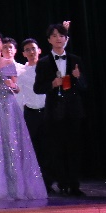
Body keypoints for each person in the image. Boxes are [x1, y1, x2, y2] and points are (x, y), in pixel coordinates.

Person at [0, 28, 46, 200]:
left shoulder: (8, 63)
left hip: (8, 106)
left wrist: (13, 86)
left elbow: (16, 88)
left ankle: (16, 187)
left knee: (11, 143)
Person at [33, 21, 84, 196]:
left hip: (73, 110)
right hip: (54, 111)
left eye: (61, 36)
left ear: (66, 39)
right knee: (56, 149)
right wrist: (52, 84)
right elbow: (37, 88)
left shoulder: (76, 60)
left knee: (74, 148)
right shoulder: (43, 63)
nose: (58, 39)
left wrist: (78, 77)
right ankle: (61, 183)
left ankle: (74, 184)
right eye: (54, 36)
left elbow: (85, 86)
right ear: (49, 40)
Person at [16, 37, 49, 187]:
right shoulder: (21, 73)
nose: (31, 52)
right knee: (33, 149)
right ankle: (34, 181)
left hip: (47, 111)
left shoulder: (47, 68)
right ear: (23, 53)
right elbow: (18, 93)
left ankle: (48, 181)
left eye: (33, 49)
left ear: (39, 50)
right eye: (27, 50)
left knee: (48, 147)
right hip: (30, 113)